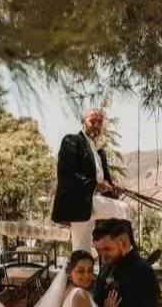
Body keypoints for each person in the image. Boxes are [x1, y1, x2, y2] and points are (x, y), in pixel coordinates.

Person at [51, 108, 131, 252]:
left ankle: (115, 254)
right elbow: (66, 176)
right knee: (123, 208)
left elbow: (106, 182)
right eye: (92, 121)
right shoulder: (71, 141)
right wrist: (95, 185)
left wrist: (113, 187)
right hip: (77, 202)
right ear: (83, 122)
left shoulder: (100, 152)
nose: (96, 124)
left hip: (92, 205)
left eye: (100, 122)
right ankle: (128, 254)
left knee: (81, 252)